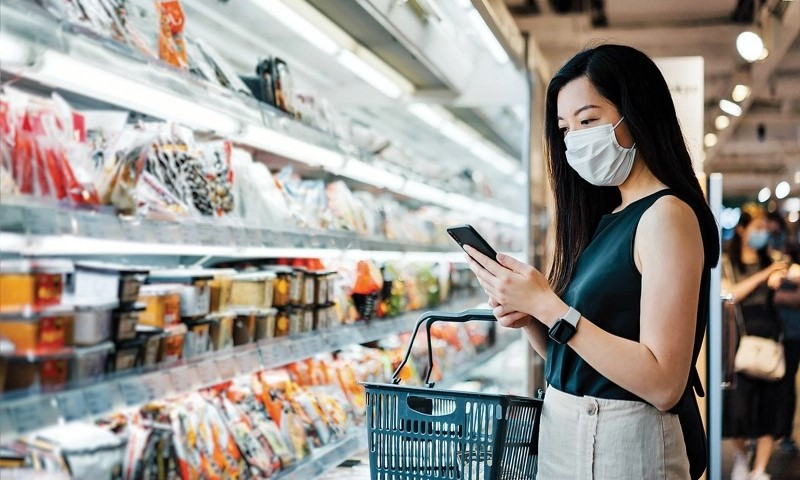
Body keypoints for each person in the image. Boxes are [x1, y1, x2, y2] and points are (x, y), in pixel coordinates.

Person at [463, 44, 719, 479]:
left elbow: (663, 383)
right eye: (564, 129)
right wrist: (530, 317)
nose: (575, 139)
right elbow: (578, 359)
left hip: (623, 443)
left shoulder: (667, 216)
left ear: (635, 115)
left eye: (588, 120)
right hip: (566, 428)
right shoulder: (604, 220)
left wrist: (550, 306)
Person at [721, 206, 791, 480]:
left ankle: (760, 469)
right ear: (741, 229)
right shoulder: (728, 262)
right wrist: (766, 274)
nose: (763, 233)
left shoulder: (773, 259)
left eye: (765, 228)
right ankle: (741, 457)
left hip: (771, 337)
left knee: (770, 407)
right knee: (737, 409)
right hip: (737, 339)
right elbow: (731, 294)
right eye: (757, 228)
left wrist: (782, 276)